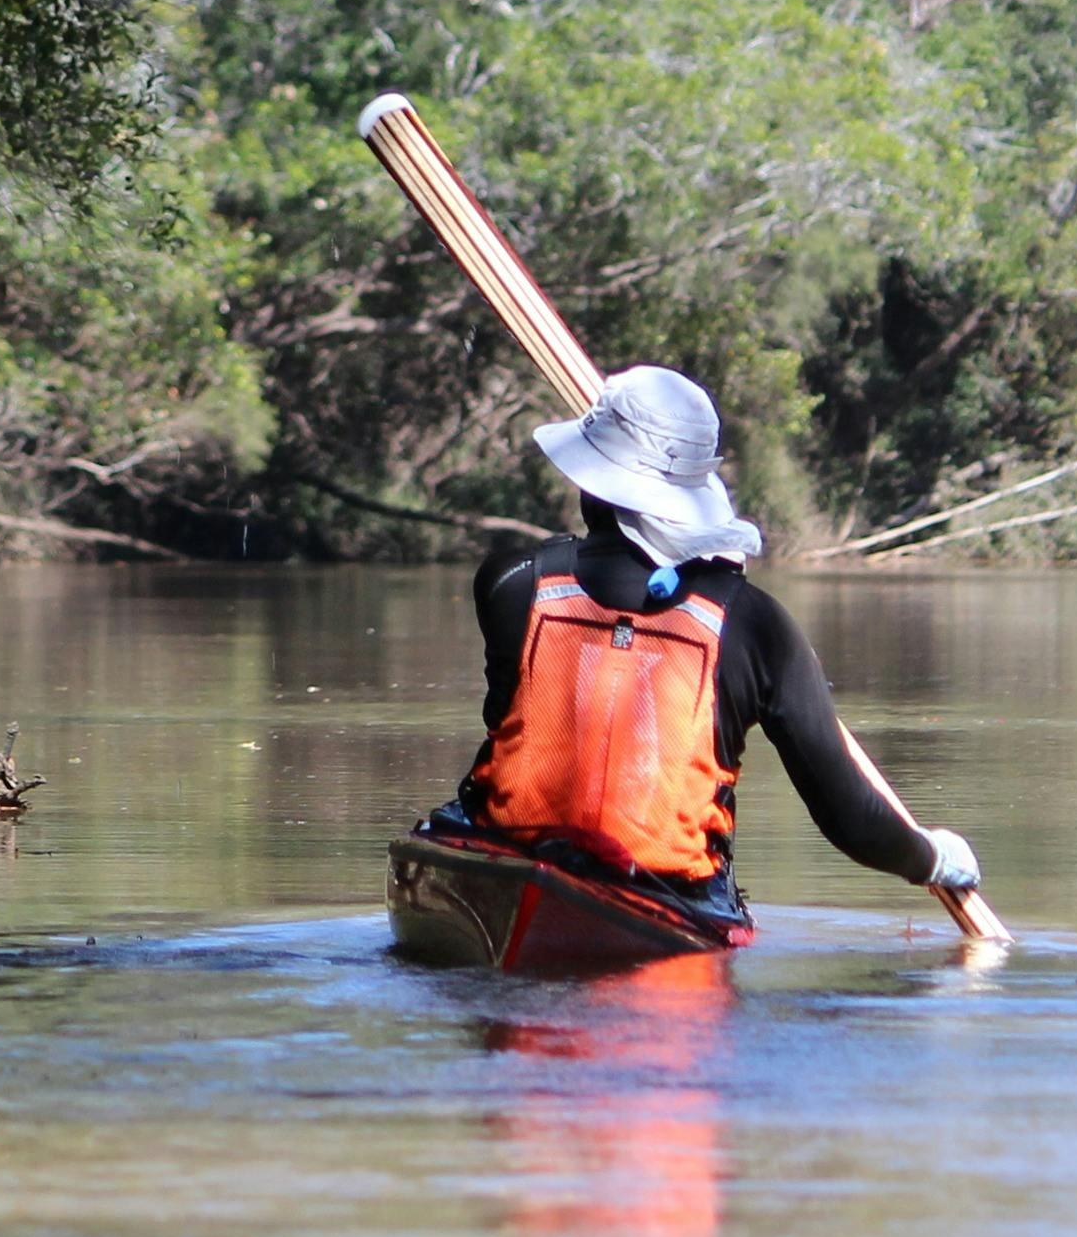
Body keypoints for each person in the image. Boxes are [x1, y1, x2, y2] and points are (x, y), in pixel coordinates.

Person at [417, 361, 983, 942]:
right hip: (669, 905)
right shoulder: (757, 626)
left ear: (593, 483)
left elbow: (511, 725)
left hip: (509, 867)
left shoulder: (510, 581)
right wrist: (932, 858)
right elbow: (852, 821)